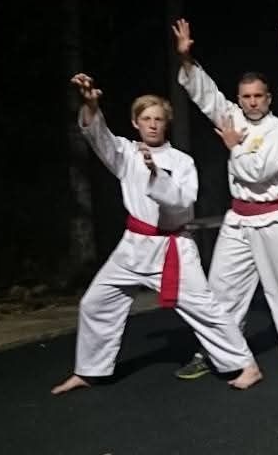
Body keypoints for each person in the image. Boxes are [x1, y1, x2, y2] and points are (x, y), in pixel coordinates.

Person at [51, 74, 261, 395]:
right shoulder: (124, 153)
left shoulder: (182, 162)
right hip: (133, 246)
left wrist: (155, 174)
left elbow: (182, 204)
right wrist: (92, 106)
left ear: (167, 124)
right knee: (95, 303)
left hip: (172, 247)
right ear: (136, 123)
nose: (152, 125)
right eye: (146, 119)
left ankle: (247, 365)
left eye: (158, 119)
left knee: (204, 308)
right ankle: (90, 370)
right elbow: (99, 138)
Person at [170, 19, 278, 379]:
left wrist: (233, 147)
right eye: (245, 96)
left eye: (258, 96)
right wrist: (186, 59)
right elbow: (207, 96)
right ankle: (218, 352)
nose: (251, 102)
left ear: (269, 98)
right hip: (239, 219)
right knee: (221, 288)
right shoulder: (234, 117)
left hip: (275, 219)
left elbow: (258, 173)